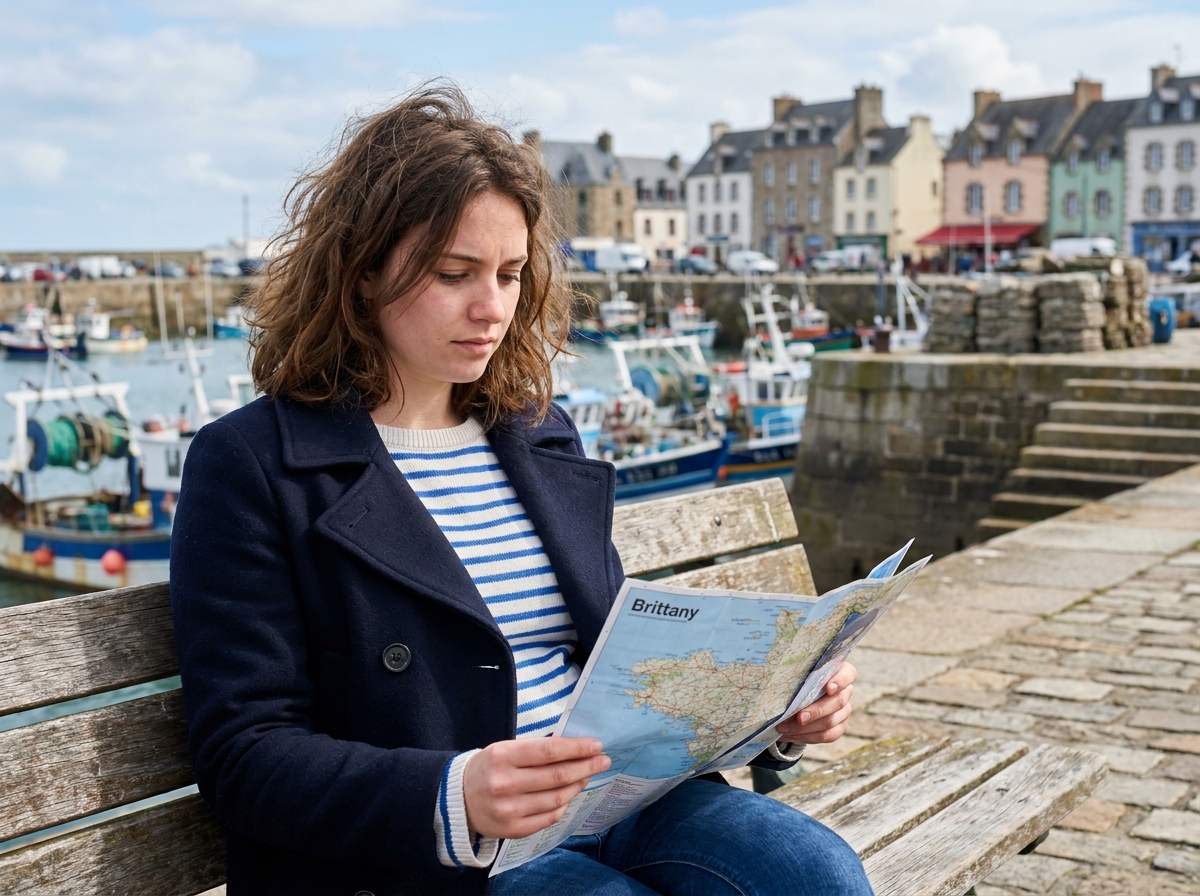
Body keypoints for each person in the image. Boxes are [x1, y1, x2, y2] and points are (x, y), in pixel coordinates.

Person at [170, 85, 872, 896]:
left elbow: (617, 669)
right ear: (361, 272)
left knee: (818, 873)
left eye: (509, 274)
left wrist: (773, 717)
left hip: (617, 795)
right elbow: (243, 752)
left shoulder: (537, 433)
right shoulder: (252, 463)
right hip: (435, 856)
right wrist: (454, 794)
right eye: (454, 273)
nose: (492, 308)